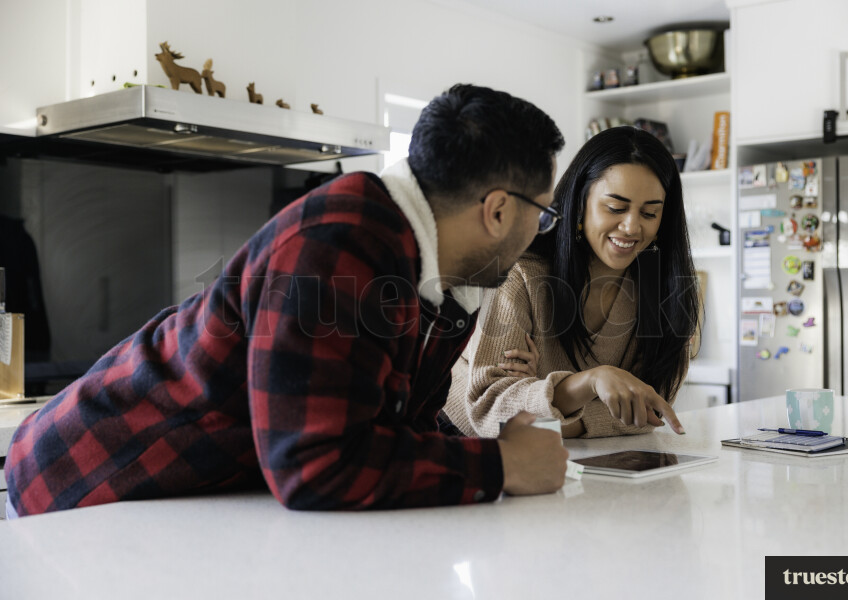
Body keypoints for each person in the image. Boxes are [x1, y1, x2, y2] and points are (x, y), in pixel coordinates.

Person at [4, 84, 568, 518]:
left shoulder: (434, 276)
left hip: (170, 502)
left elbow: (398, 428)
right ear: (496, 210)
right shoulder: (341, 239)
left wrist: (496, 449)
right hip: (78, 484)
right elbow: (316, 465)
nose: (539, 232)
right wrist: (501, 465)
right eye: (541, 213)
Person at [444, 126, 699, 439]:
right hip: (452, 436)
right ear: (580, 204)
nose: (632, 226)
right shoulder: (520, 274)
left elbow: (650, 411)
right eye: (615, 208)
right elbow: (493, 412)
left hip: (558, 452)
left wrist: (542, 394)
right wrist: (591, 382)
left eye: (649, 213)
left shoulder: (663, 292)